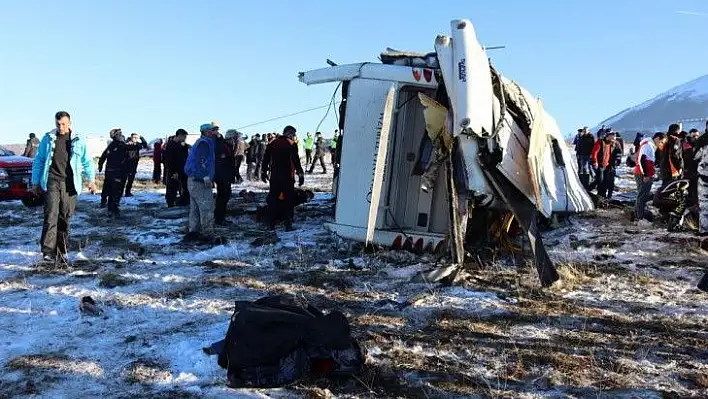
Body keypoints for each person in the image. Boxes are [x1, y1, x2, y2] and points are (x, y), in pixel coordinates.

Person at [31, 111, 97, 263]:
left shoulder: (78, 140)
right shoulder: (48, 139)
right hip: (51, 181)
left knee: (65, 217)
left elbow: (87, 162)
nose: (60, 127)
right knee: (50, 216)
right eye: (58, 124)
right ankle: (48, 251)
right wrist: (35, 182)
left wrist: (91, 181)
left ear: (69, 123)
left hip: (70, 184)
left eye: (63, 124)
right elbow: (39, 161)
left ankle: (62, 250)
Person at [261, 126, 305, 231]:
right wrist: (300, 174)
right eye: (294, 134)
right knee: (288, 200)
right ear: (289, 134)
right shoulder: (292, 144)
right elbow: (295, 160)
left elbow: (265, 158)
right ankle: (288, 224)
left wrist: (263, 171)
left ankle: (271, 223)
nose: (294, 137)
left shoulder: (272, 143)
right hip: (287, 176)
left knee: (273, 199)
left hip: (275, 176)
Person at [97, 129, 147, 218]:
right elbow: (138, 147)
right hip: (117, 173)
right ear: (118, 136)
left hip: (109, 172)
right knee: (116, 192)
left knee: (110, 190)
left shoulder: (111, 145)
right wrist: (141, 141)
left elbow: (103, 156)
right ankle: (114, 211)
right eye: (121, 135)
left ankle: (110, 209)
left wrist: (100, 165)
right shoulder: (121, 145)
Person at [184, 123, 218, 242]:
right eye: (212, 130)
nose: (215, 132)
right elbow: (201, 161)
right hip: (199, 181)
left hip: (193, 180)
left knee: (195, 208)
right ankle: (207, 234)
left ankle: (194, 232)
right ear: (206, 132)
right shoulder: (204, 143)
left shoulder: (202, 142)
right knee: (206, 207)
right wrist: (205, 177)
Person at [634, 133, 665, 223]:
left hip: (643, 173)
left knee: (641, 195)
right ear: (658, 138)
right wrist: (646, 174)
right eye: (661, 142)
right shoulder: (648, 145)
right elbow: (642, 159)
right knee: (642, 196)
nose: (661, 144)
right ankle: (640, 218)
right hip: (643, 174)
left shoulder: (649, 145)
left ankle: (637, 214)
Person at [590, 131, 622, 200]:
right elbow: (594, 152)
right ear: (607, 136)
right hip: (600, 165)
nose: (613, 138)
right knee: (600, 180)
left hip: (609, 165)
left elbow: (619, 153)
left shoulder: (615, 143)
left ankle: (606, 196)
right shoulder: (601, 142)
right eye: (612, 136)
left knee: (608, 181)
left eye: (614, 136)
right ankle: (597, 194)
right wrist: (595, 162)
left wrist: (617, 161)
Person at [164, 129, 191, 207]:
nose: (185, 139)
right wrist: (173, 172)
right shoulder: (170, 145)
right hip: (174, 171)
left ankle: (182, 202)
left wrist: (187, 146)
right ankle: (170, 204)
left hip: (183, 170)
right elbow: (169, 161)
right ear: (179, 136)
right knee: (172, 189)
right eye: (184, 137)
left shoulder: (181, 145)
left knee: (185, 188)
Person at [214, 131, 235, 226]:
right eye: (234, 138)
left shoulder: (228, 146)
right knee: (222, 197)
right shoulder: (223, 147)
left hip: (226, 176)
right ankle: (219, 218)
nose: (235, 141)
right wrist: (225, 177)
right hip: (222, 177)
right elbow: (222, 164)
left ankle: (221, 217)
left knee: (225, 196)